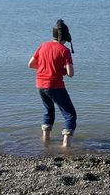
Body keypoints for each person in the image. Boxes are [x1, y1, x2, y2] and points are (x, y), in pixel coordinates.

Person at [28, 19, 76, 147]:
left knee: (48, 111)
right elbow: (70, 73)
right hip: (55, 85)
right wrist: (60, 70)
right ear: (66, 37)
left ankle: (46, 140)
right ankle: (66, 145)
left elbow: (31, 64)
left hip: (40, 85)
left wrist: (45, 68)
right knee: (70, 114)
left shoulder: (43, 45)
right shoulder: (64, 50)